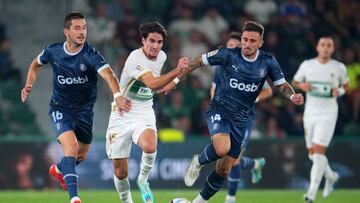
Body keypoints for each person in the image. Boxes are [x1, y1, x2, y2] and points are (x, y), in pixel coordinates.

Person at [159, 20, 304, 203]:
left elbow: (281, 85)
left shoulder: (267, 62)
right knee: (222, 148)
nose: (247, 44)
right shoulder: (227, 55)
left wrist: (292, 96)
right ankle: (198, 161)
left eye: (252, 41)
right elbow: (197, 62)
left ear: (260, 43)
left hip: (241, 120)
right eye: (245, 39)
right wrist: (175, 81)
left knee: (223, 170)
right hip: (219, 109)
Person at [21, 11, 126, 203]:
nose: (82, 32)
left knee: (81, 155)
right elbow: (35, 65)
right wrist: (29, 84)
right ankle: (74, 198)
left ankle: (60, 169)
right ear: (66, 32)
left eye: (84, 28)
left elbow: (109, 75)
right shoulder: (53, 51)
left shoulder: (91, 55)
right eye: (77, 28)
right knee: (71, 148)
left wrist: (117, 95)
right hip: (61, 108)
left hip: (85, 112)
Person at [105, 21, 188, 203]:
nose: (155, 46)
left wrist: (172, 82)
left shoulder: (162, 57)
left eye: (159, 42)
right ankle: (127, 200)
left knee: (150, 146)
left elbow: (152, 87)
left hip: (144, 111)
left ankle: (143, 180)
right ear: (143, 40)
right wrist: (176, 71)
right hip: (122, 114)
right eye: (151, 41)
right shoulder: (135, 58)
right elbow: (151, 82)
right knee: (121, 172)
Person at [210, 32, 272, 203]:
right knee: (225, 157)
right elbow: (213, 88)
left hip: (244, 118)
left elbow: (268, 90)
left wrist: (253, 98)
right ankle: (253, 164)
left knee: (232, 159)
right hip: (223, 116)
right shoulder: (221, 67)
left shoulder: (254, 68)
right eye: (229, 46)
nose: (232, 50)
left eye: (235, 47)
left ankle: (231, 197)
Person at [292, 36, 349, 203]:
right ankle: (331, 176)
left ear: (333, 49)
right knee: (313, 155)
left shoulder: (338, 67)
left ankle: (310, 193)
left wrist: (340, 91)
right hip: (310, 114)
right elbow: (295, 81)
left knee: (318, 153)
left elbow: (345, 84)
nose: (325, 48)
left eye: (329, 45)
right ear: (317, 47)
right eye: (322, 45)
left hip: (328, 113)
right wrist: (303, 86)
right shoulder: (307, 65)